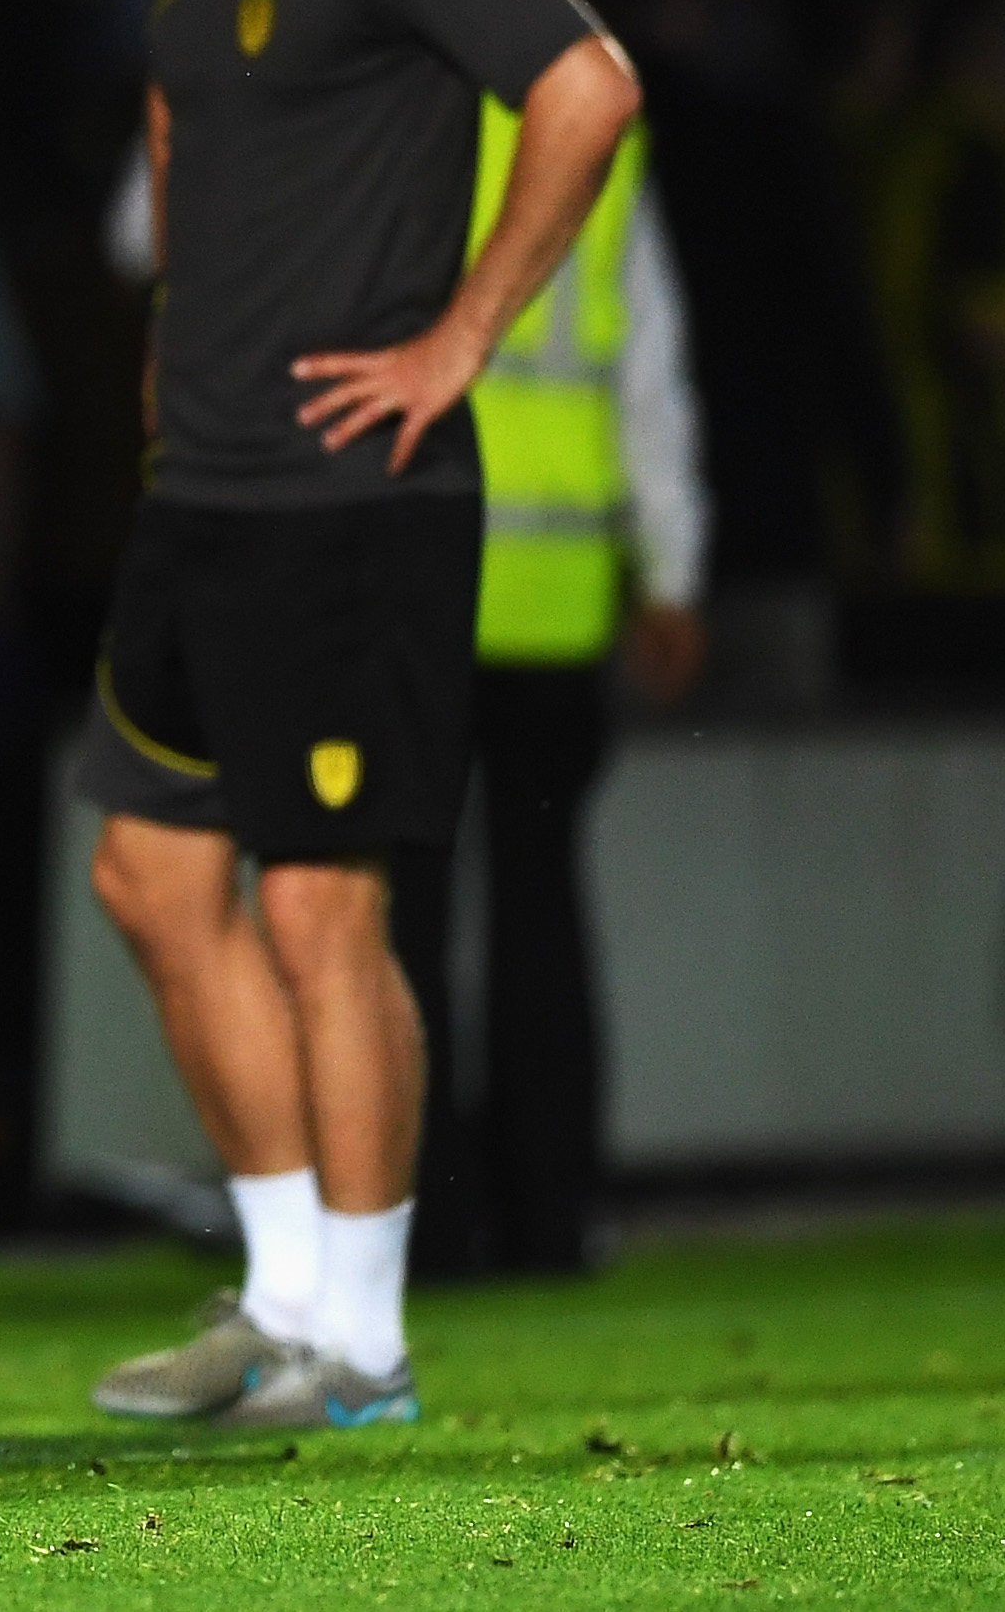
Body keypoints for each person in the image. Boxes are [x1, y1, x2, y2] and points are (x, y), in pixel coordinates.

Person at [74, 0, 641, 1431]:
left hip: (351, 505)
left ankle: (365, 1343)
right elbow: (180, 144)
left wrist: (456, 341)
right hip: (202, 495)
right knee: (149, 875)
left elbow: (584, 85)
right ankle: (282, 1297)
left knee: (324, 915)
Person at [397, 96, 705, 1278]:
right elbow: (650, 366)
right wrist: (670, 566)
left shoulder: (377, 90)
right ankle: (552, 1210)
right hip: (556, 589)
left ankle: (417, 1219)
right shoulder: (596, 129)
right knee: (541, 914)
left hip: (410, 581)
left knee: (397, 921)